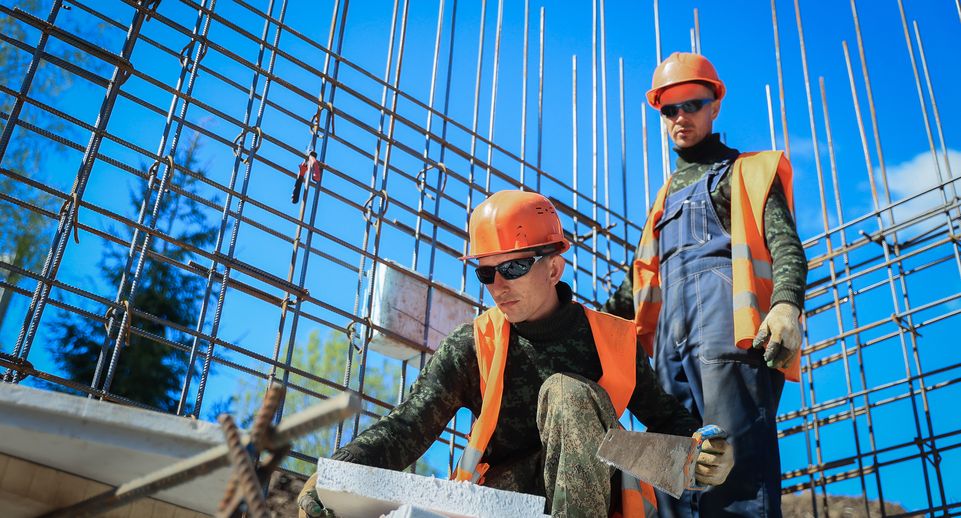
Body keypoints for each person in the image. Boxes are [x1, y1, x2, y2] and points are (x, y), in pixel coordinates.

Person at [299, 190, 735, 517]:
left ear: (554, 267)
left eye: (513, 268)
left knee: (566, 392)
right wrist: (337, 472)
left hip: (594, 504)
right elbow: (410, 423)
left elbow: (671, 422)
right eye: (487, 272)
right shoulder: (473, 345)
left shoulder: (609, 340)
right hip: (502, 505)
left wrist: (704, 452)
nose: (499, 285)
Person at [602, 52, 808, 517]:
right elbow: (635, 286)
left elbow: (786, 247)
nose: (680, 117)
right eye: (669, 109)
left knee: (735, 477)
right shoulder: (664, 198)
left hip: (728, 342)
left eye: (691, 105)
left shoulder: (745, 173)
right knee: (674, 476)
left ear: (714, 106)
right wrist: (580, 324)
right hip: (669, 353)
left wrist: (785, 305)